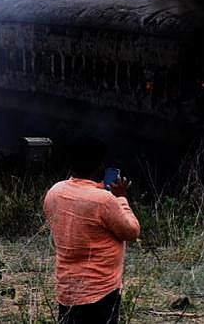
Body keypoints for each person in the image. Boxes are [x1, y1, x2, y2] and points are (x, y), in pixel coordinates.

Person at [43, 136, 141, 324]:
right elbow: (132, 231)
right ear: (100, 166)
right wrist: (121, 197)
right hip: (101, 290)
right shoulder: (104, 200)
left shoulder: (55, 191)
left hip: (67, 287)